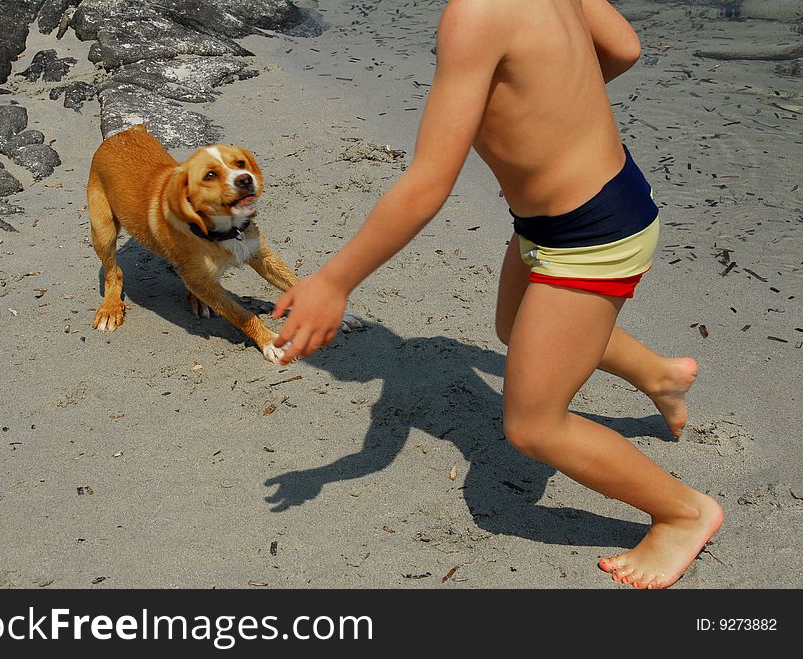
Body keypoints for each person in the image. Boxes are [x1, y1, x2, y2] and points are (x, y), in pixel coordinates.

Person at [272, 0, 723, 589]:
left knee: (534, 426)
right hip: (586, 203)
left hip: (589, 237)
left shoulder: (475, 14)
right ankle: (660, 375)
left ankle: (683, 513)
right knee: (515, 328)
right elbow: (624, 48)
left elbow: (429, 180)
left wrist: (333, 281)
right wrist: (544, 109)